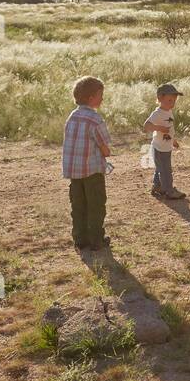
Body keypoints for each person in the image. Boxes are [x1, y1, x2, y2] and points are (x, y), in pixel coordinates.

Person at [62, 76, 112, 252]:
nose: (102, 98)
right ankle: (96, 239)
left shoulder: (72, 116)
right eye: (100, 95)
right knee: (96, 204)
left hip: (74, 172)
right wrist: (107, 153)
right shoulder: (95, 119)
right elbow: (104, 145)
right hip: (92, 171)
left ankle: (80, 239)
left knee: (78, 205)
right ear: (91, 97)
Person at [143, 83, 186, 200]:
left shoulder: (168, 111)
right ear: (160, 98)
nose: (172, 103)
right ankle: (169, 191)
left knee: (160, 168)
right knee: (166, 170)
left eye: (174, 101)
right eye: (170, 100)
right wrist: (159, 128)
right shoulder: (157, 113)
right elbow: (146, 126)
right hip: (159, 148)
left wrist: (173, 141)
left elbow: (170, 129)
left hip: (166, 147)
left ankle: (157, 186)